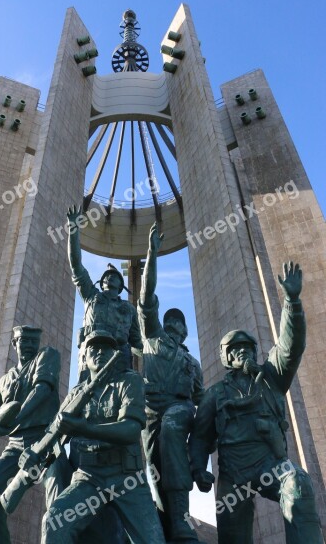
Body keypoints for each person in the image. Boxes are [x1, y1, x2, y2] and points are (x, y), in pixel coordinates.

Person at [190, 262, 323, 544]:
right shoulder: (215, 394)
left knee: (297, 483)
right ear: (227, 358)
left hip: (270, 462)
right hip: (233, 471)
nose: (242, 352)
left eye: (247, 348)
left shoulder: (272, 377)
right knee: (232, 534)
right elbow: (201, 436)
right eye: (235, 350)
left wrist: (293, 302)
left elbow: (291, 346)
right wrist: (198, 467)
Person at [40, 330, 166, 544]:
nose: (99, 352)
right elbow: (53, 435)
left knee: (153, 541)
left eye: (105, 348)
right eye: (93, 348)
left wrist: (83, 428)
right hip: (89, 476)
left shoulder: (129, 381)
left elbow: (131, 430)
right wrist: (39, 453)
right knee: (54, 521)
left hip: (127, 478)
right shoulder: (76, 393)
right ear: (84, 357)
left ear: (114, 354)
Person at [0, 325, 70, 544]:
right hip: (15, 446)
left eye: (32, 342)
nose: (28, 346)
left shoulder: (47, 356)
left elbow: (42, 389)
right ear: (14, 344)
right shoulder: (3, 381)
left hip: (46, 441)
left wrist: (16, 419)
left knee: (59, 504)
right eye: (22, 341)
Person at [138, 223, 206, 543]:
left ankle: (180, 515)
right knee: (154, 468)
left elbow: (203, 401)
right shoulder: (152, 336)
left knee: (172, 426)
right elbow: (146, 295)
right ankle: (168, 521)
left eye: (179, 327)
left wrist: (203, 453)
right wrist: (152, 253)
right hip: (151, 410)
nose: (174, 329)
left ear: (184, 332)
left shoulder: (192, 363)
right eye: (171, 324)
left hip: (179, 409)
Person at [67, 205, 143, 379]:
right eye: (107, 276)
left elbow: (137, 342)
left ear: (120, 284)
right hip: (91, 352)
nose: (109, 277)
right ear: (101, 283)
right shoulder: (91, 296)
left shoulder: (128, 308)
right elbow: (76, 265)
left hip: (120, 356)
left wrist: (157, 353)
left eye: (114, 276)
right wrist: (73, 229)